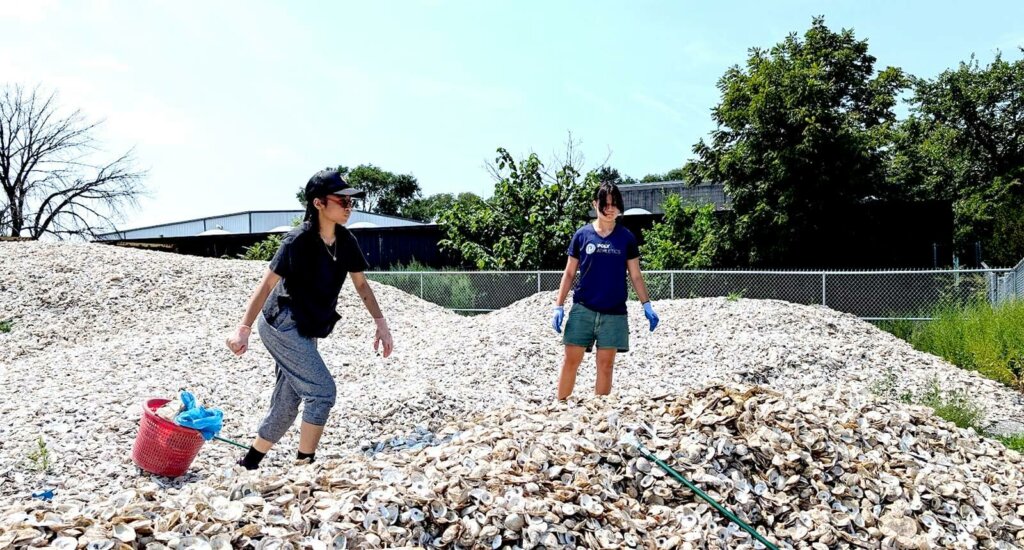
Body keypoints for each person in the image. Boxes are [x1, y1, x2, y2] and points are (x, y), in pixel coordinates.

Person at [225, 168, 394, 469]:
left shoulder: (345, 240)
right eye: (341, 201)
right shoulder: (297, 240)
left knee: (288, 401)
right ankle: (305, 466)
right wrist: (243, 330)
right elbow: (266, 285)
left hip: (310, 325)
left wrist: (381, 324)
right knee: (322, 392)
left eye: (350, 201)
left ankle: (250, 462)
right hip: (282, 324)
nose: (348, 206)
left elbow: (362, 285)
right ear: (318, 203)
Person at [551, 182, 659, 400]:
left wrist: (646, 304)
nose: (610, 209)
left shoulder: (626, 238)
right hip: (583, 309)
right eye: (605, 204)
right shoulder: (582, 235)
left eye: (614, 204)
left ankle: (598, 412)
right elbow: (569, 273)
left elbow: (635, 275)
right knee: (571, 360)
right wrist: (559, 305)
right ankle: (559, 405)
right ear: (595, 204)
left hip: (614, 312)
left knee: (606, 364)